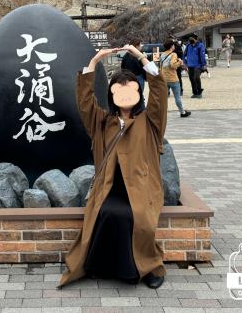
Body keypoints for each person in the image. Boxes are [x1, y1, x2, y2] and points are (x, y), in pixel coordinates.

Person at [60, 43, 167, 289]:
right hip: (109, 186)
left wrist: (140, 56)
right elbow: (85, 102)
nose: (126, 96)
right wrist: (94, 62)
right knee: (106, 212)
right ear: (111, 95)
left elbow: (159, 90)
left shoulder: (150, 120)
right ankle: (102, 265)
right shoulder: (102, 122)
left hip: (142, 187)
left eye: (130, 91)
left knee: (136, 216)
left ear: (139, 93)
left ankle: (148, 267)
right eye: (119, 91)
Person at [160, 40, 191, 117]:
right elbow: (173, 65)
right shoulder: (173, 54)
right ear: (171, 46)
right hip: (173, 79)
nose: (174, 46)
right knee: (177, 97)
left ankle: (162, 113)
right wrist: (180, 62)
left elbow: (161, 66)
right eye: (173, 45)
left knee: (164, 97)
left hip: (164, 78)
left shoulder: (162, 55)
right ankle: (182, 112)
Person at [183, 34, 206, 98]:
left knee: (196, 77)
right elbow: (184, 55)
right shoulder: (188, 45)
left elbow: (202, 55)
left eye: (192, 40)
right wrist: (185, 63)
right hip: (190, 65)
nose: (191, 43)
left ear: (195, 39)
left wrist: (203, 64)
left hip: (198, 65)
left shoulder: (200, 45)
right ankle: (195, 92)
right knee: (191, 79)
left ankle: (199, 91)